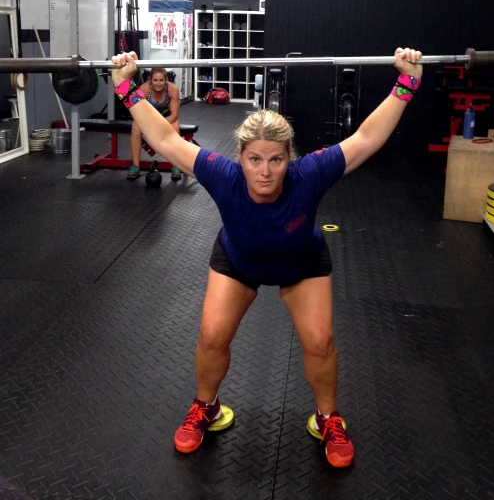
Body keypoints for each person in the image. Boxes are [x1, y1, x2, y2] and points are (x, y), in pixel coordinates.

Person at [111, 47, 423, 468]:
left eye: (276, 160)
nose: (265, 171)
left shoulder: (309, 174)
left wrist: (407, 83)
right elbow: (166, 139)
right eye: (255, 160)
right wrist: (124, 87)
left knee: (319, 341)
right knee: (211, 335)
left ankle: (328, 417)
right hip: (238, 261)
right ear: (240, 157)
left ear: (289, 158)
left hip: (302, 264)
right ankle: (207, 407)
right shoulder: (223, 175)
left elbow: (366, 138)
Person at [126, 67, 182, 181]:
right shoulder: (144, 89)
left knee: (176, 126)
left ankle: (176, 165)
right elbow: (138, 113)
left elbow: (174, 115)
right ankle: (136, 166)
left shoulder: (172, 90)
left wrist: (159, 125)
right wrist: (151, 125)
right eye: (155, 80)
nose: (158, 83)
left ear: (166, 79)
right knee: (135, 127)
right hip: (149, 118)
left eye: (161, 80)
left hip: (167, 117)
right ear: (150, 79)